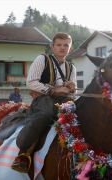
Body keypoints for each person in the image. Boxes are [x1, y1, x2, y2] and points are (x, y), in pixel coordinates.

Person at [11, 32, 76, 173]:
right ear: (52, 47)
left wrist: (72, 88)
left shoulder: (72, 68)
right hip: (42, 99)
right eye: (59, 45)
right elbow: (31, 82)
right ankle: (23, 155)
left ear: (70, 49)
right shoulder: (43, 59)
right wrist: (53, 90)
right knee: (47, 112)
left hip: (64, 101)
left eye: (66, 45)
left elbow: (71, 92)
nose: (62, 48)